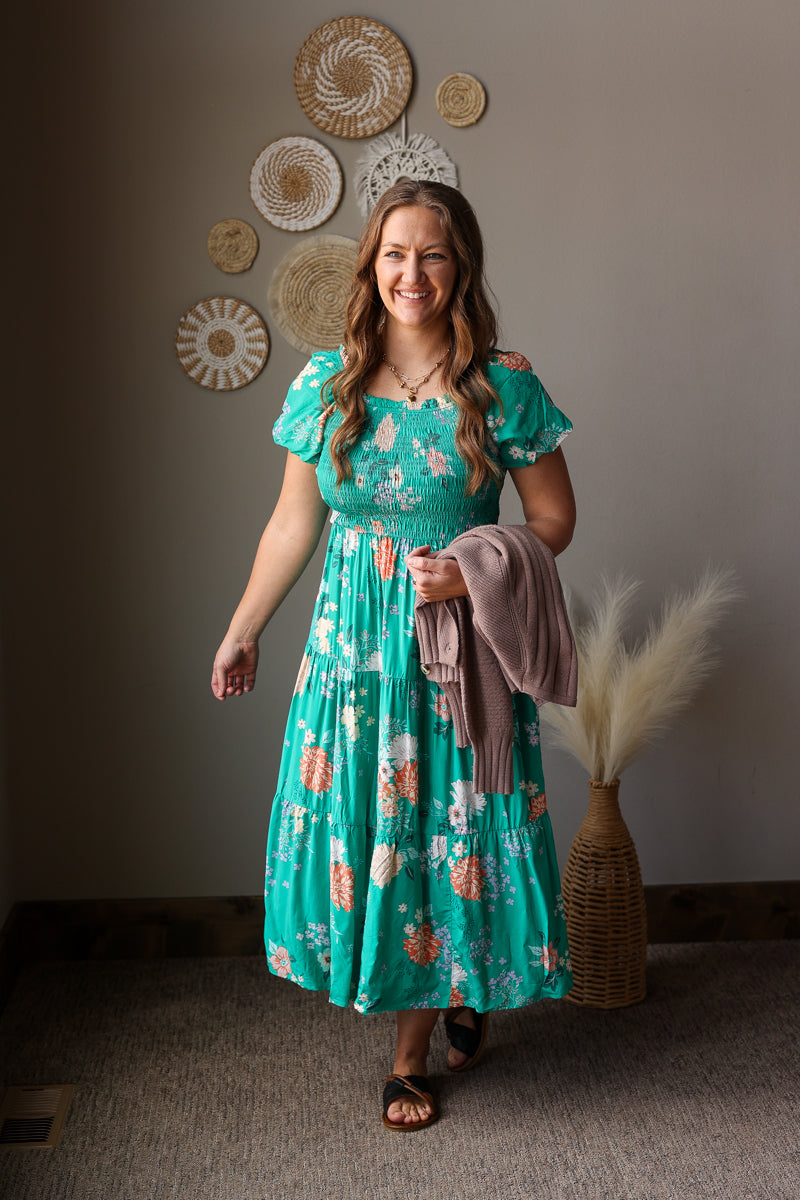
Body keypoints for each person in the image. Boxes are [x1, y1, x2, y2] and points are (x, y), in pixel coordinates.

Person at [211, 179, 576, 1131]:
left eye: (435, 255)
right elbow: (294, 524)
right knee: (380, 831)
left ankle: (410, 1055)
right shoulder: (323, 385)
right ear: (371, 266)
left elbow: (554, 518)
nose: (412, 274)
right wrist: (243, 626)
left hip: (458, 652)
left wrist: (472, 568)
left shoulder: (503, 383)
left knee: (443, 834)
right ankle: (449, 991)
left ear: (462, 269)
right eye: (395, 254)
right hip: (351, 657)